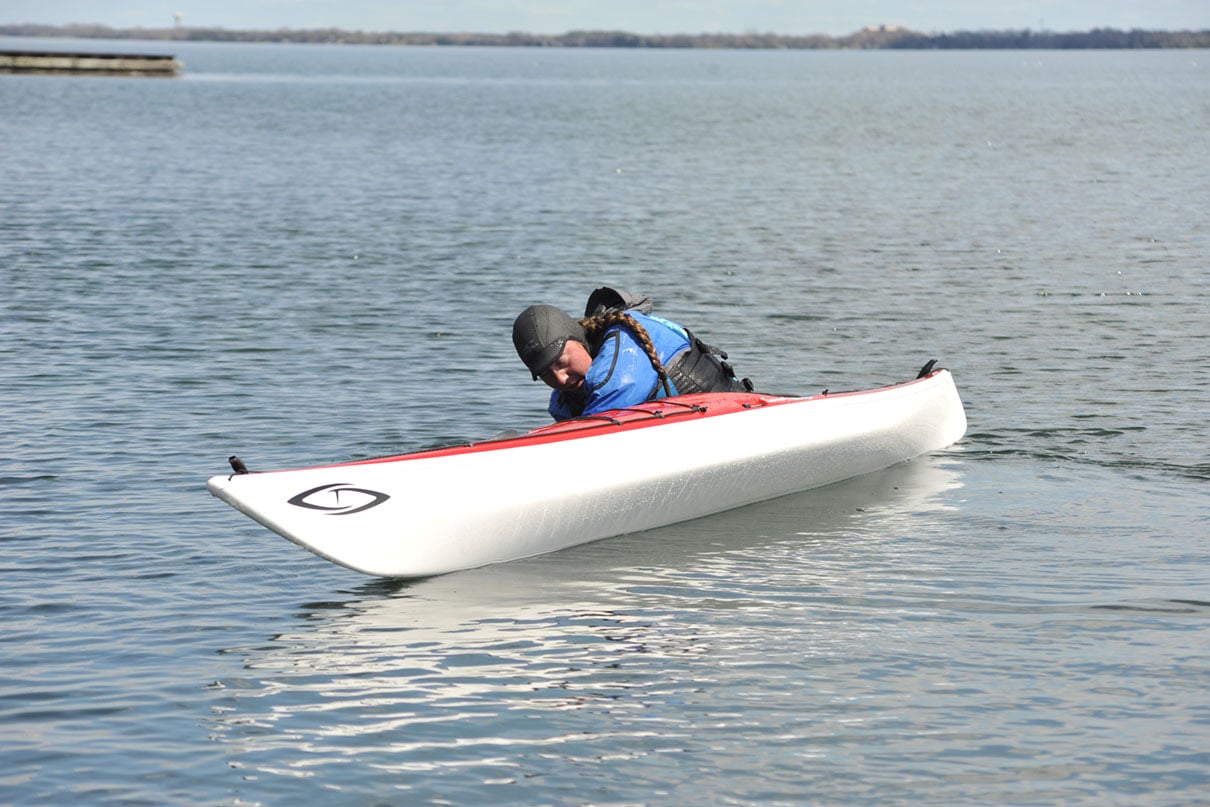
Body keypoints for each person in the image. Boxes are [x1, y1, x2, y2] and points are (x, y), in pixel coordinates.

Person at [512, 287, 748, 421]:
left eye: (563, 362)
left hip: (739, 420)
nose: (561, 378)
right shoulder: (564, 402)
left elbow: (586, 442)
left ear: (579, 339)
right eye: (546, 374)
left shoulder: (621, 361)